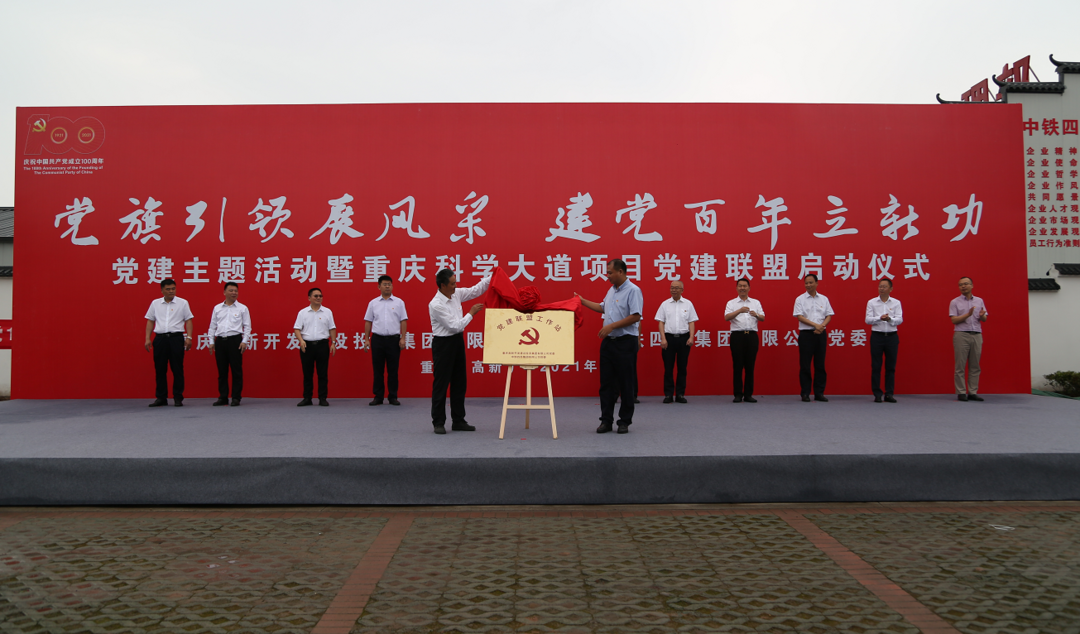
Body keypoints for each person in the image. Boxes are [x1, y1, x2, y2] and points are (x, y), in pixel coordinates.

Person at [576, 259, 643, 434]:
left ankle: (624, 421)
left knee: (626, 383)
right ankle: (606, 420)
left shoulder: (633, 290)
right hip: (608, 343)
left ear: (620, 272)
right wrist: (582, 301)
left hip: (625, 342)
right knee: (606, 384)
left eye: (610, 272)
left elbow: (636, 316)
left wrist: (611, 326)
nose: (607, 276)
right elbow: (602, 307)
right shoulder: (611, 290)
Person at [429, 269, 490, 434]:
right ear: (443, 285)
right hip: (443, 344)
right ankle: (438, 422)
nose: (455, 286)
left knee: (459, 383)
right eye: (452, 284)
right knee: (441, 384)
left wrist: (493, 277)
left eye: (455, 282)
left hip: (457, 342)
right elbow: (454, 326)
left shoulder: (456, 294)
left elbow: (475, 290)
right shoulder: (436, 304)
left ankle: (458, 420)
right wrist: (471, 314)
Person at [144, 278, 194, 407]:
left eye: (173, 289)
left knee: (177, 368)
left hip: (176, 338)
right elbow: (150, 320)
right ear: (162, 290)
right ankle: (161, 397)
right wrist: (147, 338)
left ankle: (178, 397)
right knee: (160, 369)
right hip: (160, 339)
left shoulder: (182, 303)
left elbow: (188, 320)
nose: (171, 291)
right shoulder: (155, 303)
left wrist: (189, 337)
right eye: (168, 289)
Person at [362, 275, 408, 406]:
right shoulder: (373, 303)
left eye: (389, 284)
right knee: (378, 370)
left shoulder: (399, 302)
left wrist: (403, 338)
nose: (387, 286)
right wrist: (366, 339)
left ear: (392, 286)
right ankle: (378, 396)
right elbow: (368, 321)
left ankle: (393, 396)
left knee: (393, 370)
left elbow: (403, 320)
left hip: (394, 340)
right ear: (379, 286)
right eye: (384, 284)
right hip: (377, 339)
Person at [207, 281, 252, 406]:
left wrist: (244, 341)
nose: (234, 293)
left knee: (236, 371)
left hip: (235, 341)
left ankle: (236, 397)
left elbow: (247, 327)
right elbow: (212, 326)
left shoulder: (242, 308)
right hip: (220, 341)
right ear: (224, 292)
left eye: (236, 291)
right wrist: (211, 341)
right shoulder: (217, 308)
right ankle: (223, 397)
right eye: (231, 290)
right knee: (222, 371)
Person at [793, 274, 834, 402]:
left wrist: (822, 326)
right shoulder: (800, 299)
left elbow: (829, 315)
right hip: (806, 334)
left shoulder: (824, 299)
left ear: (817, 283)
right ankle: (805, 393)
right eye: (806, 283)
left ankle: (819, 393)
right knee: (805, 365)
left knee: (820, 365)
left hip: (821, 334)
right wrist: (815, 325)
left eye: (811, 282)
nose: (808, 285)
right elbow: (800, 316)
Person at [655, 280, 697, 403]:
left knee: (682, 368)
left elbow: (691, 322)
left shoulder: (688, 304)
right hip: (669, 339)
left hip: (684, 339)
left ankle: (680, 394)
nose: (674, 290)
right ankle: (668, 394)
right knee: (668, 368)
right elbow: (661, 322)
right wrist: (663, 338)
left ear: (682, 290)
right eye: (672, 287)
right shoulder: (665, 304)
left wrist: (691, 337)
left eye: (676, 288)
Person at [293, 287, 336, 406]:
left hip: (322, 345)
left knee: (322, 373)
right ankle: (307, 398)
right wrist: (301, 340)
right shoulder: (303, 313)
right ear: (309, 298)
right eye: (316, 296)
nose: (318, 298)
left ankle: (322, 398)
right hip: (307, 346)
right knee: (307, 374)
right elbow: (297, 329)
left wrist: (333, 342)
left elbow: (332, 328)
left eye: (320, 296)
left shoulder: (327, 312)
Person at [724, 278, 765, 403]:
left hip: (751, 336)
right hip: (737, 336)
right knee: (737, 366)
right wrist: (739, 311)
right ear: (737, 288)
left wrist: (756, 315)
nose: (742, 288)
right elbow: (727, 317)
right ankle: (737, 394)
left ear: (749, 288)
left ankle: (748, 394)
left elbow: (763, 317)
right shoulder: (731, 303)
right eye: (740, 286)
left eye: (745, 286)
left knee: (750, 366)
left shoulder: (756, 302)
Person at [950, 276, 988, 401]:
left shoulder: (979, 301)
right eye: (961, 284)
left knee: (975, 365)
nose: (963, 286)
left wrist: (982, 316)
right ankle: (961, 392)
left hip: (976, 334)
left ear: (972, 285)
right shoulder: (955, 302)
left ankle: (972, 392)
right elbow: (954, 320)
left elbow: (984, 319)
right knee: (960, 365)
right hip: (962, 334)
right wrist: (968, 314)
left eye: (966, 283)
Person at [865, 278, 902, 403]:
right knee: (876, 366)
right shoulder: (872, 302)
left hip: (892, 337)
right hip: (877, 336)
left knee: (890, 367)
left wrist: (889, 319)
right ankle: (877, 394)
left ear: (891, 289)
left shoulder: (896, 303)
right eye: (880, 286)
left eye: (884, 286)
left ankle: (889, 393)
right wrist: (880, 318)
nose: (881, 288)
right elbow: (868, 320)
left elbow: (899, 319)